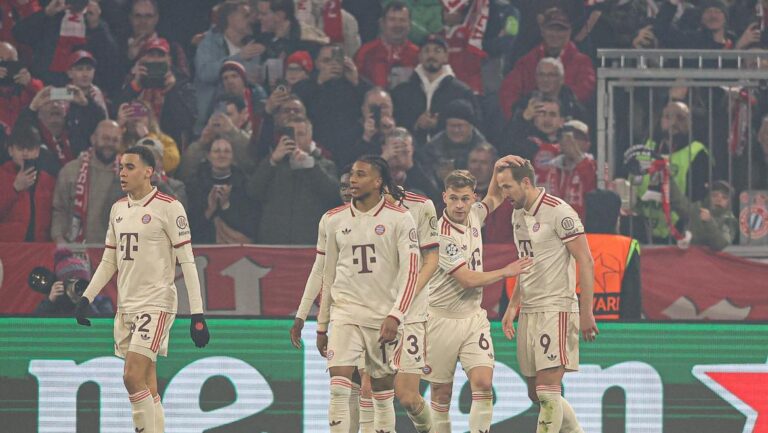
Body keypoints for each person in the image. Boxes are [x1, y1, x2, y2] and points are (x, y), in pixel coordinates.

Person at [74, 145, 210, 433]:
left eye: (130, 167)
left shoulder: (169, 207)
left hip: (156, 302)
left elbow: (187, 262)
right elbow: (109, 260)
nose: (122, 173)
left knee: (131, 376)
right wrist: (87, 297)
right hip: (127, 306)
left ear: (149, 171)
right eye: (121, 167)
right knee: (147, 383)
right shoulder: (118, 209)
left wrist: (197, 314)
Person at [315, 155, 420, 433]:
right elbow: (328, 275)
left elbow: (411, 272)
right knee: (338, 386)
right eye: (352, 174)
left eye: (361, 174)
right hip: (345, 312)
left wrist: (396, 315)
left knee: (382, 390)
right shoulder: (332, 219)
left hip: (382, 316)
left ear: (377, 181)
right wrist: (322, 325)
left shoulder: (400, 218)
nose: (352, 180)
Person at [425, 168, 533, 433]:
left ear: (473, 197)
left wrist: (499, 169)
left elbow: (495, 197)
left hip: (473, 317)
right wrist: (505, 271)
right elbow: (467, 279)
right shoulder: (441, 234)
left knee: (484, 384)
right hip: (441, 320)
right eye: (453, 198)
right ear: (444, 197)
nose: (459, 205)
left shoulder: (475, 214)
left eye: (465, 198)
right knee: (441, 393)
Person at [497, 157, 598, 433]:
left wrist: (587, 312)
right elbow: (526, 263)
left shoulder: (559, 212)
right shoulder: (518, 214)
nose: (504, 194)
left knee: (547, 391)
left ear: (525, 182)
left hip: (557, 308)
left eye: (507, 187)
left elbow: (586, 260)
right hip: (530, 310)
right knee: (535, 393)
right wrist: (513, 306)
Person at [246, 115, 339, 244]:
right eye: (291, 135)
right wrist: (272, 160)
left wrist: (312, 167)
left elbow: (334, 195)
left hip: (309, 245)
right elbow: (253, 191)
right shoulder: (272, 165)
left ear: (310, 137)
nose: (296, 139)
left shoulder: (325, 165)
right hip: (274, 244)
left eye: (300, 134)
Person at [499, 7, 595, 121]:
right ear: (542, 31)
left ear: (570, 32)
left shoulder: (582, 63)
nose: (555, 34)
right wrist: (520, 117)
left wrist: (557, 111)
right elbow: (508, 92)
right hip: (531, 125)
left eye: (561, 30)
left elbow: (585, 92)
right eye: (551, 29)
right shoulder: (527, 61)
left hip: (569, 123)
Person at [391, 33, 478, 144]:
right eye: (426, 51)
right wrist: (416, 124)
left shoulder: (461, 92)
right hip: (410, 151)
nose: (431, 55)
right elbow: (395, 124)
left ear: (446, 56)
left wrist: (440, 124)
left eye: (437, 51)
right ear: (419, 56)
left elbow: (474, 126)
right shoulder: (402, 91)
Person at [194, 0, 262, 134]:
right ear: (230, 18)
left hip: (246, 124)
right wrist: (239, 57)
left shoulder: (252, 46)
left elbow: (253, 81)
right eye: (246, 15)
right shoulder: (209, 43)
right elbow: (205, 73)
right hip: (209, 122)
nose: (251, 20)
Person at [51, 120, 123, 243]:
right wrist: (59, 239)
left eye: (115, 140)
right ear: (93, 139)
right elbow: (59, 210)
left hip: (116, 249)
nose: (110, 144)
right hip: (76, 248)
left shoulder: (130, 174)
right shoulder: (71, 171)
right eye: (105, 138)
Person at [292, 43, 365, 165]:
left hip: (350, 149)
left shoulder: (353, 84)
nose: (333, 65)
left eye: (338, 61)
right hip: (316, 149)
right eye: (326, 61)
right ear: (316, 63)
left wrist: (356, 82)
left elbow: (372, 102)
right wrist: (319, 83)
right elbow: (297, 107)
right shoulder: (304, 86)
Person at [121, 37, 197, 150]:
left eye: (160, 55)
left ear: (169, 60)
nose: (155, 60)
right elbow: (118, 109)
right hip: (133, 144)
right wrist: (135, 85)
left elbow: (185, 122)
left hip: (169, 147)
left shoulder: (182, 84)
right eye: (151, 55)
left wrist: (172, 90)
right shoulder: (133, 81)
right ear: (143, 59)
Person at [187, 137, 257, 244]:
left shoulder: (244, 184)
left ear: (233, 156)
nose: (222, 155)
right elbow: (190, 226)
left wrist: (226, 206)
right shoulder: (195, 184)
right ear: (208, 156)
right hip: (203, 246)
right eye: (217, 151)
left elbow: (249, 225)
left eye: (227, 151)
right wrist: (210, 210)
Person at [0, 126, 57, 242]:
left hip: (39, 247)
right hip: (7, 247)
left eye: (30, 148)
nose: (25, 153)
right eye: (20, 148)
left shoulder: (49, 181)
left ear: (37, 151)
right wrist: (14, 188)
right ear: (10, 151)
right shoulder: (2, 175)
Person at [354, 1, 419, 89]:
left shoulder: (417, 54)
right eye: (392, 19)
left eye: (402, 20)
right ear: (382, 23)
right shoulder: (365, 52)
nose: (397, 25)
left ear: (410, 25)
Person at [540, 120, 597, 218]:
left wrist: (576, 155)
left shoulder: (596, 167)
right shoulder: (549, 168)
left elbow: (593, 190)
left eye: (576, 137)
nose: (569, 142)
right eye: (564, 137)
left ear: (587, 144)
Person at [34, 247, 113, 315]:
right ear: (61, 284)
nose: (76, 286)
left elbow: (104, 326)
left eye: (81, 282)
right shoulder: (57, 303)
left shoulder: (101, 302)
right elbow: (36, 324)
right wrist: (50, 301)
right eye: (70, 282)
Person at [0, 41, 43, 134]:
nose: (6, 66)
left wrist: (29, 83)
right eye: (1, 61)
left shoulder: (27, 87)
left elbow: (45, 98)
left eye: (11, 61)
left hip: (23, 138)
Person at [66, 50, 108, 116]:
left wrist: (102, 105)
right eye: (80, 69)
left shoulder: (98, 95)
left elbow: (106, 121)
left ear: (94, 72)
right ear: (69, 73)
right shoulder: (63, 93)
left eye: (89, 69)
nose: (85, 74)